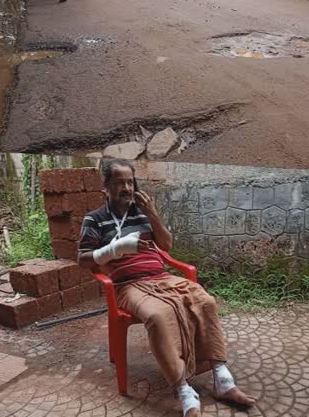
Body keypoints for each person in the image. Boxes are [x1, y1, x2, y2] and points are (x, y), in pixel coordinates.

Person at [77, 159, 259, 417]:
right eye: (119, 183)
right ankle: (183, 389)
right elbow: (82, 258)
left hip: (161, 276)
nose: (127, 188)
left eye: (130, 182)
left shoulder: (141, 213)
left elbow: (167, 246)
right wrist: (114, 249)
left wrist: (152, 212)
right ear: (105, 186)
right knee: (158, 315)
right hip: (128, 285)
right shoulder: (94, 219)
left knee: (205, 301)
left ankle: (222, 380)